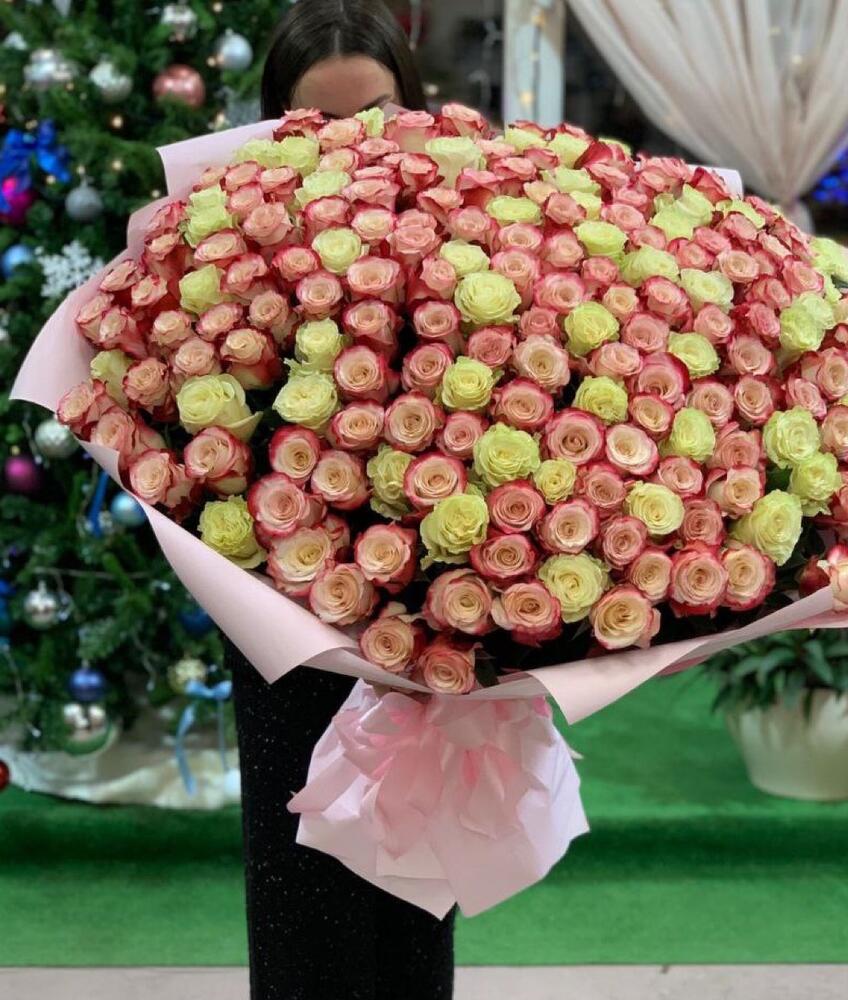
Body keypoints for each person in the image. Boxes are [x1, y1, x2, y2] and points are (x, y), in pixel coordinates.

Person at [228, 4, 453, 999]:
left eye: (379, 115)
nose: (355, 144)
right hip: (281, 621)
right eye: (317, 123)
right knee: (302, 900)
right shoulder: (227, 245)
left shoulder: (470, 236)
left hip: (427, 613)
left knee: (414, 899)